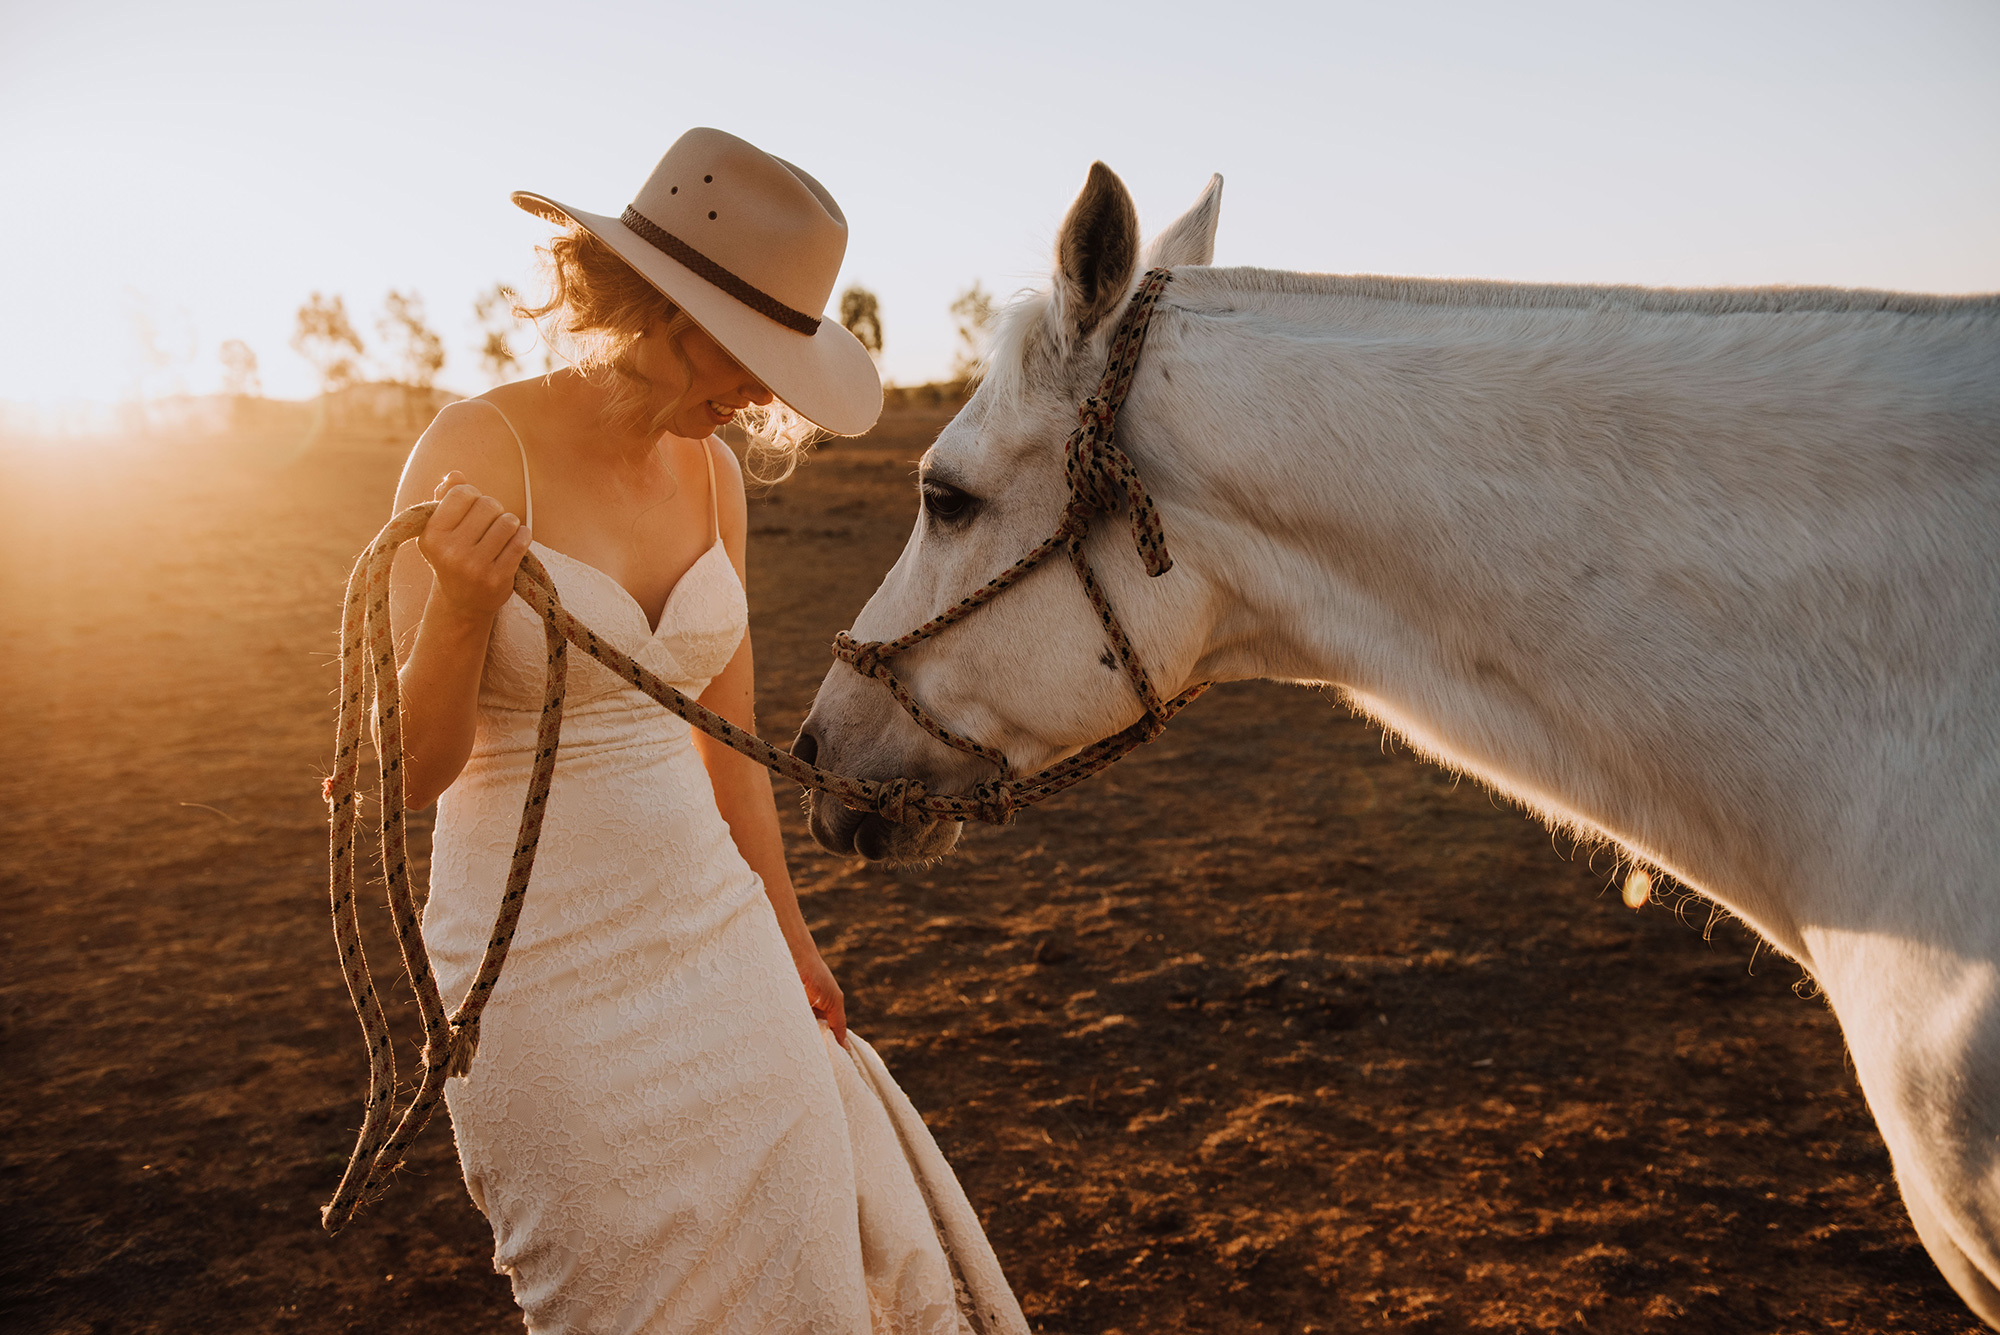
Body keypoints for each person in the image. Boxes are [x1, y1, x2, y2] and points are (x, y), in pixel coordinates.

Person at [389, 127, 1024, 1334]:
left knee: (805, 1276)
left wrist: (792, 942)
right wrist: (463, 613)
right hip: (541, 973)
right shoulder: (477, 448)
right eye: (747, 350)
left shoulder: (716, 477)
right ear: (651, 305)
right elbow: (413, 775)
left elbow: (725, 747)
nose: (760, 389)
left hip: (717, 944)